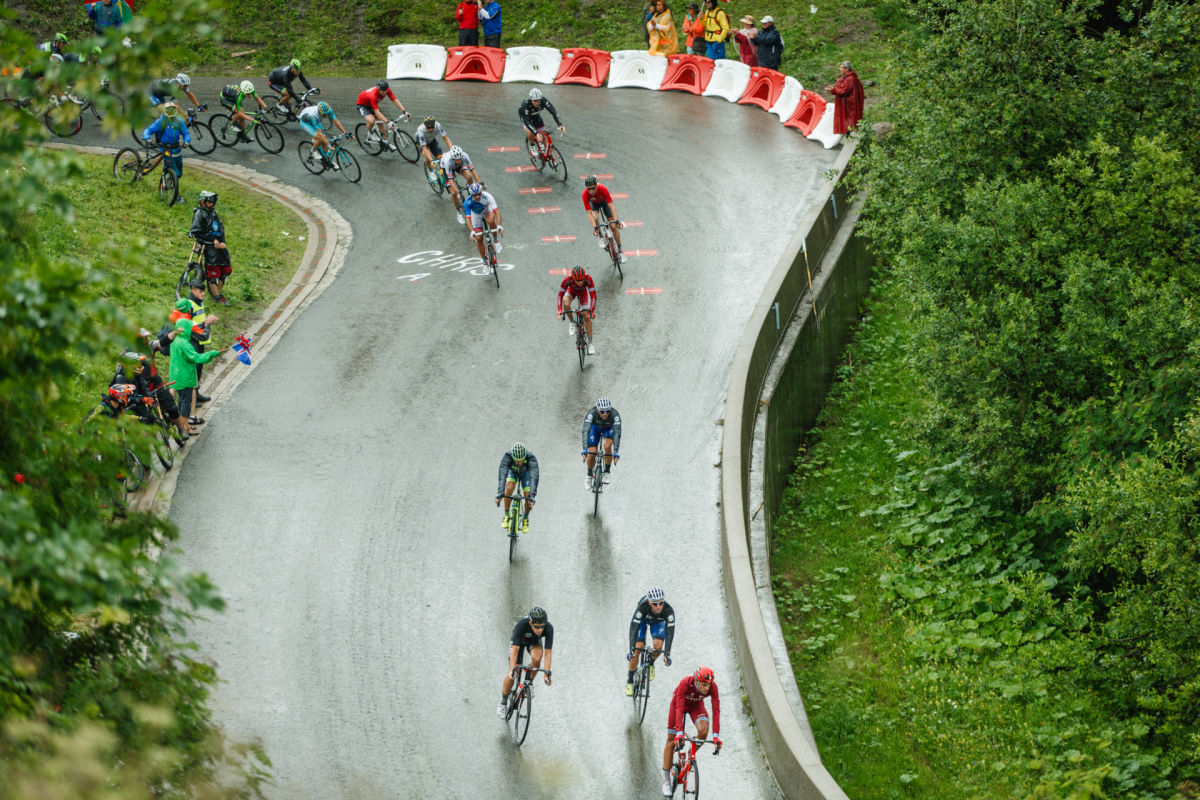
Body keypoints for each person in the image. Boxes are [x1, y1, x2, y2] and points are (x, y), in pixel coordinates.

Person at [662, 666, 722, 796]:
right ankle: (666, 780)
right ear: (696, 681)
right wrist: (679, 733)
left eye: (709, 684)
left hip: (696, 706)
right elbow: (679, 708)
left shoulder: (713, 687)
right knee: (671, 740)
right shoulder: (685, 683)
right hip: (678, 705)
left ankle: (691, 753)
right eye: (704, 685)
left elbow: (716, 710)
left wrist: (716, 736)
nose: (707, 688)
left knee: (704, 731)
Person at [497, 606, 553, 718]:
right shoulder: (521, 625)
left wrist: (546, 674)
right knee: (514, 673)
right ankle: (503, 702)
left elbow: (548, 653)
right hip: (519, 642)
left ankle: (529, 682)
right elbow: (514, 651)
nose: (540, 630)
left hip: (534, 641)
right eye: (537, 627)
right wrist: (512, 670)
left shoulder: (549, 628)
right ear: (530, 622)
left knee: (537, 659)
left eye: (542, 626)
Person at [169, 317, 220, 426]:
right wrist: (210, 354)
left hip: (177, 375)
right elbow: (196, 358)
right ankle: (185, 427)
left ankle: (181, 426)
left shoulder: (175, 340)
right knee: (186, 403)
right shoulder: (185, 344)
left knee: (181, 401)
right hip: (185, 377)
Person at [625, 587, 674, 695]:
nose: (658, 606)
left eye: (661, 603)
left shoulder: (668, 611)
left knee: (658, 647)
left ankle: (651, 662)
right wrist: (631, 649)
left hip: (658, 622)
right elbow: (633, 628)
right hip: (642, 620)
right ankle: (630, 680)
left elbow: (670, 633)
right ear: (649, 602)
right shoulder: (642, 607)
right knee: (638, 648)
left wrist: (667, 654)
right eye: (655, 604)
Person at [189, 191, 232, 304]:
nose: (212, 204)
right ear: (203, 202)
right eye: (209, 202)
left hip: (220, 247)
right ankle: (217, 296)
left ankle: (217, 292)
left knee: (226, 270)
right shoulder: (199, 213)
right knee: (213, 272)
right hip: (209, 247)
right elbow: (197, 231)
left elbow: (221, 230)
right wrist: (213, 241)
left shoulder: (214, 214)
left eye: (213, 202)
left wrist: (222, 242)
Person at [183, 280, 218, 405]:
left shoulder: (199, 303)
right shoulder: (189, 305)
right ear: (193, 291)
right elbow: (188, 326)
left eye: (203, 291)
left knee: (198, 369)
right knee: (192, 370)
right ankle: (190, 398)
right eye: (200, 291)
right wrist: (206, 323)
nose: (203, 294)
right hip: (192, 342)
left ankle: (196, 394)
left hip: (200, 341)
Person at [581, 175, 627, 264]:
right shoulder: (585, 194)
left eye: (593, 188)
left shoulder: (603, 189)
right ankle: (600, 236)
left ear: (597, 185)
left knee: (613, 226)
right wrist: (595, 227)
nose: (591, 191)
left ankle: (620, 250)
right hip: (594, 205)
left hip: (604, 203)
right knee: (595, 217)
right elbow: (589, 213)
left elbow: (611, 206)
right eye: (588, 189)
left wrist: (616, 220)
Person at [356, 79, 410, 152]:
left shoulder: (387, 90)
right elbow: (377, 112)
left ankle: (385, 142)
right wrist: (388, 122)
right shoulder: (373, 95)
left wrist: (404, 111)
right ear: (378, 90)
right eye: (383, 91)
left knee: (381, 124)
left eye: (386, 90)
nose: (385, 92)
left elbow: (395, 100)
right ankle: (371, 133)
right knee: (371, 121)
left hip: (372, 105)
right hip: (363, 105)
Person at [495, 442, 539, 533]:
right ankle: (506, 515)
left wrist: (532, 496)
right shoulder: (507, 457)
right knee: (509, 487)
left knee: (528, 495)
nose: (519, 463)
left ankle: (525, 519)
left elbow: (534, 477)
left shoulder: (531, 459)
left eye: (521, 460)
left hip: (526, 474)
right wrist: (500, 493)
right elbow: (502, 474)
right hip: (513, 472)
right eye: (516, 461)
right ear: (512, 457)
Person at [141, 103, 190, 179]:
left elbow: (185, 133)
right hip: (166, 149)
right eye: (169, 111)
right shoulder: (161, 122)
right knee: (175, 173)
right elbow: (148, 130)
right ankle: (168, 181)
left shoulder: (179, 121)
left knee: (179, 173)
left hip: (177, 149)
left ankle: (169, 180)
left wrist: (186, 141)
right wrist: (147, 138)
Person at [581, 396, 622, 487]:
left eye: (607, 411)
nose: (605, 414)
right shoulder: (592, 413)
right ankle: (589, 475)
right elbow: (585, 431)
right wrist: (584, 449)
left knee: (607, 446)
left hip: (609, 428)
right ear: (597, 410)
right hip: (595, 429)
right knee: (592, 453)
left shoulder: (614, 415)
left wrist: (615, 451)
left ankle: (607, 471)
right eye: (602, 411)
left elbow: (617, 433)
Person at [557, 266, 597, 356]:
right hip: (572, 291)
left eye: (582, 280)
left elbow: (593, 295)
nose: (580, 282)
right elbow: (560, 294)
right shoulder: (567, 279)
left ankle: (590, 343)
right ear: (573, 278)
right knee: (566, 303)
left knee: (586, 316)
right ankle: (572, 322)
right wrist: (559, 310)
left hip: (583, 294)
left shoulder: (588, 279)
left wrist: (592, 311)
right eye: (578, 280)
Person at [298, 101, 349, 170]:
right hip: (306, 123)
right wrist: (329, 146)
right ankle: (312, 152)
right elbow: (319, 133)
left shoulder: (328, 109)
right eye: (323, 114)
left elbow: (335, 121)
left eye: (326, 113)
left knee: (324, 141)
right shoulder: (313, 115)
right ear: (319, 111)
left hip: (316, 120)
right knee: (320, 138)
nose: (325, 116)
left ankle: (326, 160)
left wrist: (345, 133)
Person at [438, 145, 482, 224]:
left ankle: (471, 195)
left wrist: (480, 183)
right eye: (457, 159)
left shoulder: (465, 156)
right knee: (453, 193)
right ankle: (458, 211)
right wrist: (457, 192)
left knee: (469, 177)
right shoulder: (448, 161)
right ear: (453, 158)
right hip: (445, 168)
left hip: (458, 166)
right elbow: (450, 180)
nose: (459, 160)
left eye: (460, 159)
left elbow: (472, 170)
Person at [518, 88, 565, 160]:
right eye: (535, 101)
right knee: (531, 132)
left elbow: (554, 112)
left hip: (535, 115)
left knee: (543, 135)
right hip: (525, 117)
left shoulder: (543, 100)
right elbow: (527, 121)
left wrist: (560, 124)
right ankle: (532, 145)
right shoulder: (526, 104)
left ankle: (546, 153)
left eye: (538, 100)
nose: (537, 103)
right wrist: (536, 133)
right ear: (531, 99)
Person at [463, 183, 503, 265]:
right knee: (479, 238)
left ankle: (496, 241)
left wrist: (499, 225)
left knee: (491, 221)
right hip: (476, 215)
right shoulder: (467, 201)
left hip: (487, 211)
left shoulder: (487, 196)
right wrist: (472, 231)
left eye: (479, 194)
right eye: (475, 195)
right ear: (471, 195)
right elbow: (468, 218)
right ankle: (484, 262)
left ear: (481, 192)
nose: (477, 196)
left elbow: (496, 212)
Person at [826, 60, 865, 134]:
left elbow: (844, 91)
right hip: (843, 103)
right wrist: (833, 89)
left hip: (849, 105)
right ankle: (847, 133)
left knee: (849, 120)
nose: (840, 69)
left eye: (841, 67)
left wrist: (833, 90)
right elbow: (840, 89)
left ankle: (849, 134)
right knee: (845, 120)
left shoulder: (851, 79)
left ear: (847, 69)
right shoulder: (843, 78)